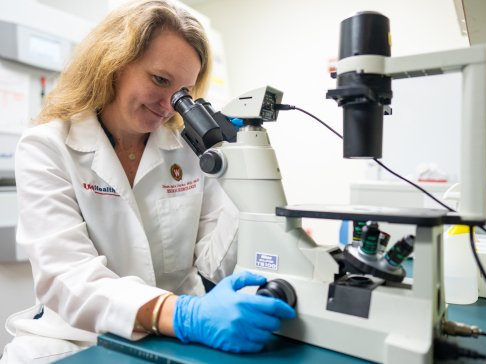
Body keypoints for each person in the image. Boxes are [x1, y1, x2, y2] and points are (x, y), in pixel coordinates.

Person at [0, 1, 295, 363]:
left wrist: (239, 169)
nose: (170, 105)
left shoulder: (187, 153)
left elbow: (215, 266)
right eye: (159, 80)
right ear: (113, 63)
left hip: (176, 343)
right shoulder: (48, 147)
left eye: (183, 91)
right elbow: (67, 278)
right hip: (77, 341)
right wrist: (183, 315)